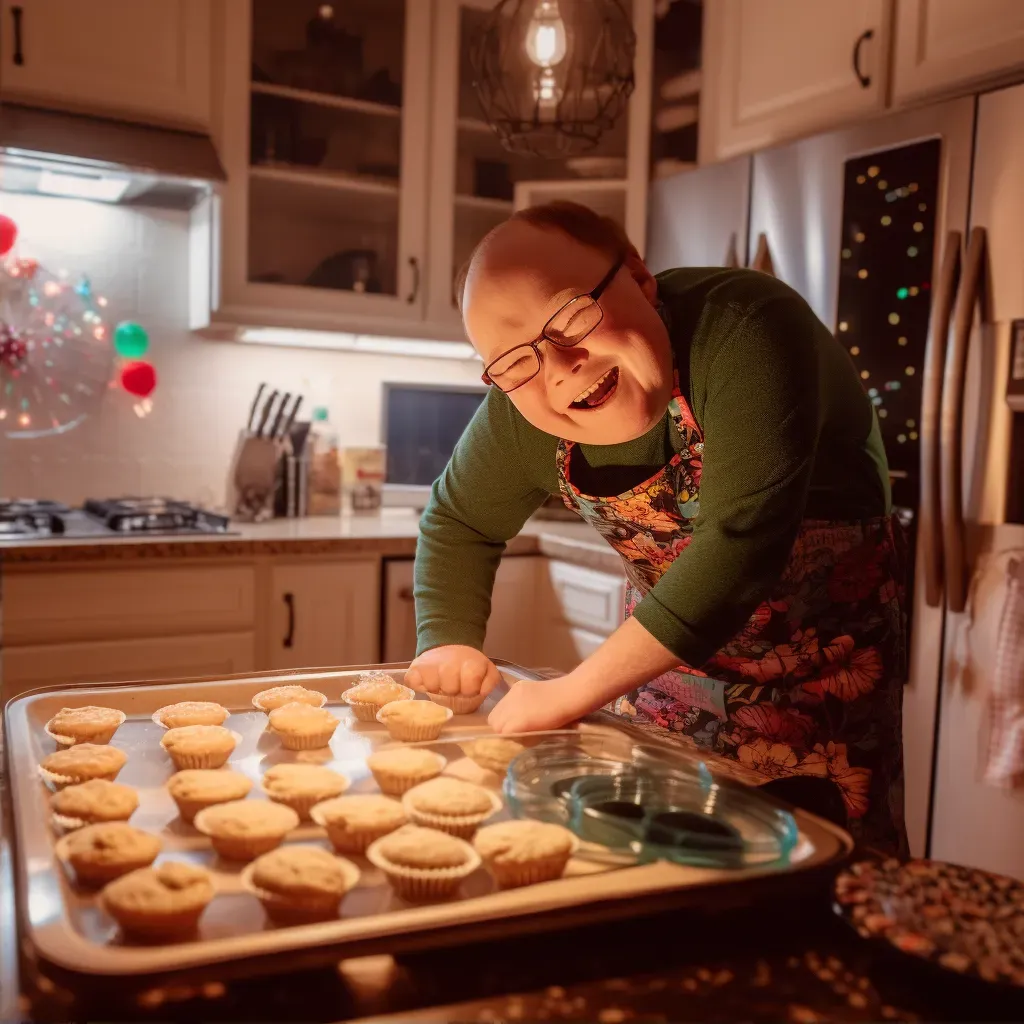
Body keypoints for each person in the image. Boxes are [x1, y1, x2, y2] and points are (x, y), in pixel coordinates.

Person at [406, 201, 908, 856]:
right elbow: (458, 519)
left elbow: (738, 547)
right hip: (661, 682)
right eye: (514, 360)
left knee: (818, 885)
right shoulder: (521, 409)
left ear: (641, 277)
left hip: (827, 692)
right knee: (656, 870)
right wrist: (445, 640)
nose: (560, 364)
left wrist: (568, 694)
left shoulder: (746, 327)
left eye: (569, 317)